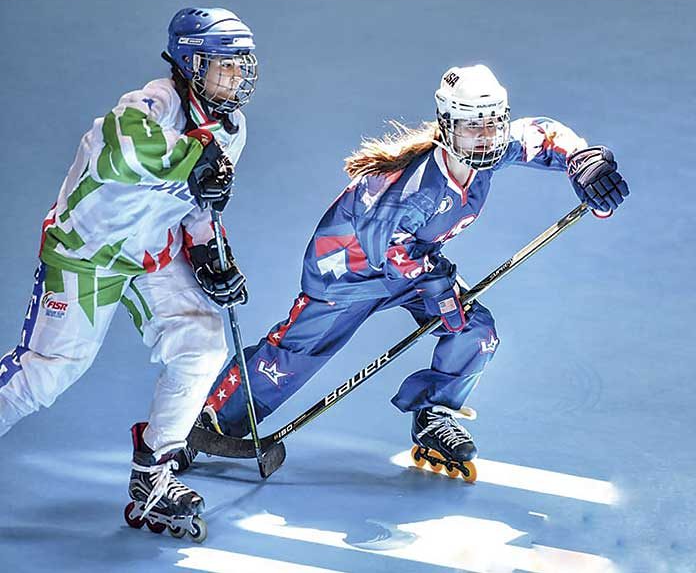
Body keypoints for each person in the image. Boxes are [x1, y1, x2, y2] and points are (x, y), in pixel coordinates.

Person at [195, 64, 629, 480]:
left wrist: (583, 160)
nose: (486, 137)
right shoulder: (414, 188)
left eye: (494, 123)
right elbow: (385, 249)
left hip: (415, 265)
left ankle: (435, 413)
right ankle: (210, 419)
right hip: (347, 274)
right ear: (446, 126)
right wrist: (438, 284)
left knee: (475, 330)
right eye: (472, 126)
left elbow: (542, 135)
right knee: (293, 357)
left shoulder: (486, 151)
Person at [0, 7, 257, 540]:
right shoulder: (154, 102)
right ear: (191, 62)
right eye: (224, 66)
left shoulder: (230, 128)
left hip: (150, 255)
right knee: (47, 372)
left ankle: (155, 476)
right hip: (88, 253)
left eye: (241, 66)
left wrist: (210, 253)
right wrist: (193, 158)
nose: (236, 78)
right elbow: (122, 150)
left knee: (202, 343)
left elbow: (199, 203)